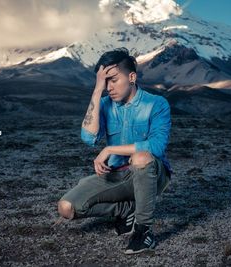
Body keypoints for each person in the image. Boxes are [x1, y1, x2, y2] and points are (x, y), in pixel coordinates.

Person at [57, 47, 172, 255]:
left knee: (141, 157)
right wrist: (96, 89)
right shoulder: (104, 104)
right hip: (117, 175)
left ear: (132, 77)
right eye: (104, 81)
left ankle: (143, 231)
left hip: (152, 173)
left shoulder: (156, 104)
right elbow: (88, 138)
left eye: (113, 80)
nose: (109, 87)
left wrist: (111, 148)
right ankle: (126, 210)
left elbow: (157, 146)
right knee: (66, 207)